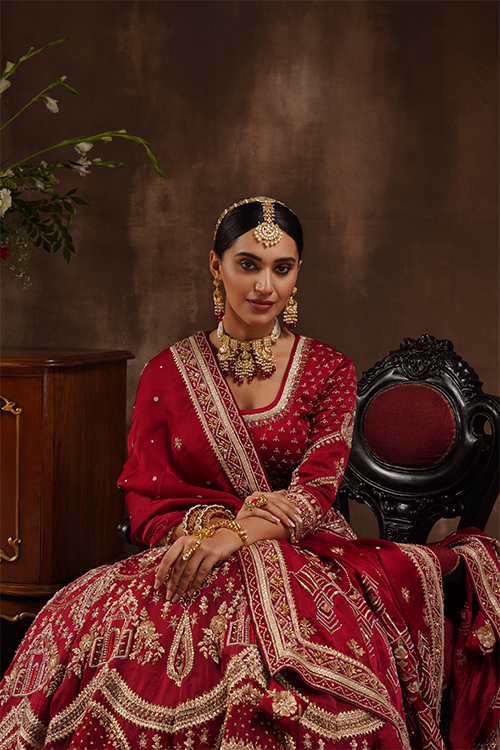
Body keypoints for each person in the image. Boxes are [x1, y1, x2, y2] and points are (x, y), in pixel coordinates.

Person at [0, 197, 500, 750]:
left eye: (281, 268)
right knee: (100, 638)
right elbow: (145, 495)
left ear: (297, 273)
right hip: (189, 543)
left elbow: (314, 493)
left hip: (305, 553)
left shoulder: (328, 369)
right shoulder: (169, 372)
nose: (265, 285)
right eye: (248, 265)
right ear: (216, 266)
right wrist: (211, 532)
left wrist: (236, 537)